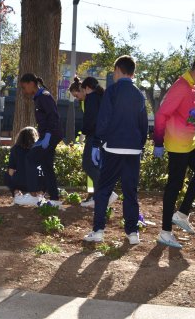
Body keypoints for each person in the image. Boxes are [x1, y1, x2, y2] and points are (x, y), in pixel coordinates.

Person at [153, 53, 195, 248]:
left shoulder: (190, 86)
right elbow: (161, 114)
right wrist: (157, 141)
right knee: (174, 186)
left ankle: (181, 214)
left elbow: (189, 113)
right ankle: (165, 232)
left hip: (189, 141)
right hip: (177, 144)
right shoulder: (181, 87)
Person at [83, 56, 147, 244]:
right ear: (133, 73)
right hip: (133, 150)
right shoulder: (139, 94)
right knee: (130, 192)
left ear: (118, 70)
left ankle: (99, 231)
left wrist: (96, 142)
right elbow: (143, 124)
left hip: (113, 148)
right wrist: (139, 145)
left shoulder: (112, 91)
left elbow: (103, 120)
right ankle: (132, 233)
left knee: (103, 190)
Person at [16, 73, 64, 206]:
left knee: (30, 159)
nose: (24, 91)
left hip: (51, 135)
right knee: (46, 165)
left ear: (31, 83)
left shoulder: (44, 96)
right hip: (48, 135)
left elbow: (53, 116)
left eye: (24, 87)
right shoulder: (38, 97)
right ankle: (54, 199)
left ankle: (34, 194)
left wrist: (48, 135)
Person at [69, 76, 117, 208]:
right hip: (102, 137)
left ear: (85, 88)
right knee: (94, 166)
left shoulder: (91, 98)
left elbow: (91, 119)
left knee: (88, 165)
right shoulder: (100, 97)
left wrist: (84, 133)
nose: (79, 96)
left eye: (79, 92)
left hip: (94, 137)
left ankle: (106, 193)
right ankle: (99, 195)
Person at [5, 126, 39, 201]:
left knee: (7, 174)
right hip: (35, 182)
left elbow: (11, 170)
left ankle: (16, 192)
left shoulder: (15, 149)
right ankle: (37, 194)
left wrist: (13, 183)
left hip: (20, 181)